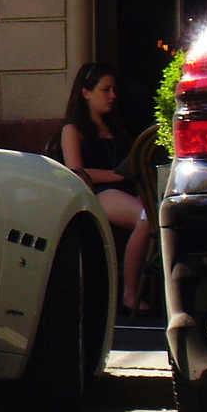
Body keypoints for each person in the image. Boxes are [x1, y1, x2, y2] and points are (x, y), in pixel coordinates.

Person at [58, 62, 151, 315]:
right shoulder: (72, 130)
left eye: (114, 90)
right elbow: (76, 170)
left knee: (154, 212)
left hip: (129, 189)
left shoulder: (116, 128)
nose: (112, 96)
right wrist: (117, 176)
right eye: (105, 90)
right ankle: (130, 293)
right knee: (145, 218)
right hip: (100, 193)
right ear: (86, 92)